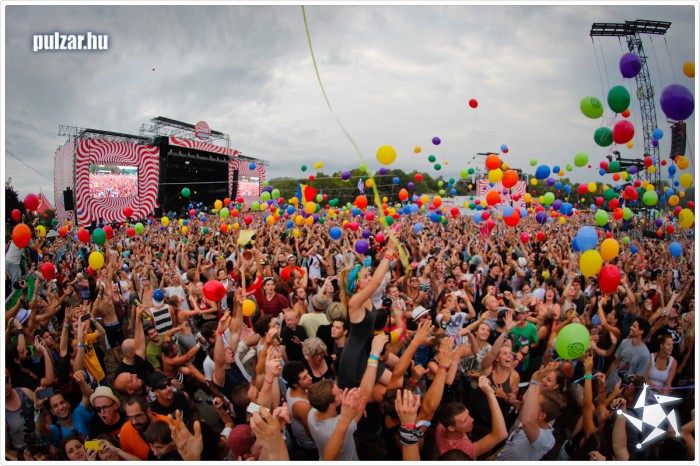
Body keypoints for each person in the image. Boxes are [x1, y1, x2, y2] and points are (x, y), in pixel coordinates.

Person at [337, 239, 398, 389]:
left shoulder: (367, 297)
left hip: (368, 348)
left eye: (369, 275)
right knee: (395, 383)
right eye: (365, 277)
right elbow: (376, 282)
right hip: (356, 357)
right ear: (355, 284)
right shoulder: (355, 302)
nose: (370, 278)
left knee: (400, 366)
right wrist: (389, 251)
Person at [494, 364, 567, 460]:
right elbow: (511, 444)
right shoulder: (537, 392)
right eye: (544, 377)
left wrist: (535, 381)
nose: (543, 380)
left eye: (549, 380)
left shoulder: (545, 438)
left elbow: (528, 422)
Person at [434, 376, 508, 460]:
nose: (472, 419)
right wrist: (490, 394)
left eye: (468, 415)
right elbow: (501, 434)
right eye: (465, 420)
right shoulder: (461, 450)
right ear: (451, 428)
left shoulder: (442, 424)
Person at [282, 361, 318, 460]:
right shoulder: (302, 406)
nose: (310, 378)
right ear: (295, 384)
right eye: (304, 378)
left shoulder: (291, 389)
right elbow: (311, 431)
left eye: (308, 374)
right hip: (312, 445)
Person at [605, 317, 651, 394]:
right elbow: (615, 362)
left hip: (622, 390)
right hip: (610, 382)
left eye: (634, 326)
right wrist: (606, 376)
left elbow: (639, 377)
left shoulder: (645, 354)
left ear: (641, 331)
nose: (631, 327)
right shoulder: (624, 342)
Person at [119, 395, 171, 460]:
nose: (134, 422)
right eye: (130, 418)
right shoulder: (125, 430)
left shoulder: (170, 424)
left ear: (148, 412)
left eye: (138, 416)